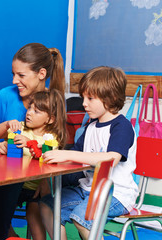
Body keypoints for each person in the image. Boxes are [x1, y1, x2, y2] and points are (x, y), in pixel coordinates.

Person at [0, 42, 81, 240]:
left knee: (37, 202)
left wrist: (45, 179)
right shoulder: (4, 97)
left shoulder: (53, 101)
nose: (14, 80)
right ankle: (2, 234)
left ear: (41, 73)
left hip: (34, 181)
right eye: (13, 74)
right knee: (10, 182)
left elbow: (55, 144)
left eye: (21, 75)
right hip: (3, 178)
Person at [40, 66, 139, 240]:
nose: (84, 103)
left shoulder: (122, 127)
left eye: (90, 98)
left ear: (111, 98)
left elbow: (111, 158)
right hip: (87, 189)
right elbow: (76, 156)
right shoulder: (90, 127)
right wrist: (52, 155)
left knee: (82, 218)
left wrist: (68, 155)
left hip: (116, 193)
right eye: (83, 97)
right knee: (47, 206)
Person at [0, 89, 66, 240]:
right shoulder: (20, 127)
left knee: (33, 215)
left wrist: (29, 143)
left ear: (50, 119)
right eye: (30, 107)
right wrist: (7, 124)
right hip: (14, 185)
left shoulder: (51, 138)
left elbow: (46, 155)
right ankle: (8, 236)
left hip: (35, 190)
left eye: (37, 111)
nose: (29, 113)